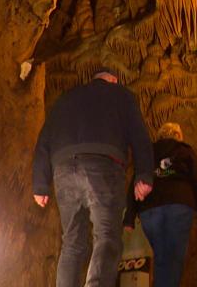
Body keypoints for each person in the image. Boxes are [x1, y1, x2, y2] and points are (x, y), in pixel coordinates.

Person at [32, 68, 154, 287]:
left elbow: (44, 141)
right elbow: (139, 135)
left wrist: (40, 184)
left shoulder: (65, 99)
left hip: (63, 170)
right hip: (103, 166)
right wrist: (143, 174)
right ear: (113, 80)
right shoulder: (121, 95)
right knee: (106, 237)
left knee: (72, 243)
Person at [122, 122, 197, 287]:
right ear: (178, 136)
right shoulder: (185, 151)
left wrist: (129, 218)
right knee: (174, 260)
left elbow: (136, 181)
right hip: (179, 207)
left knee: (162, 259)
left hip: (150, 210)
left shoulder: (148, 154)